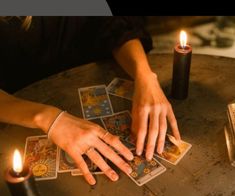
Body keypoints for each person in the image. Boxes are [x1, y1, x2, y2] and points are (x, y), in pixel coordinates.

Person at [0, 16, 181, 185]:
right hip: (16, 112)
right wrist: (47, 118)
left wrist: (145, 75)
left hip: (92, 80)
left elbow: (113, 24)